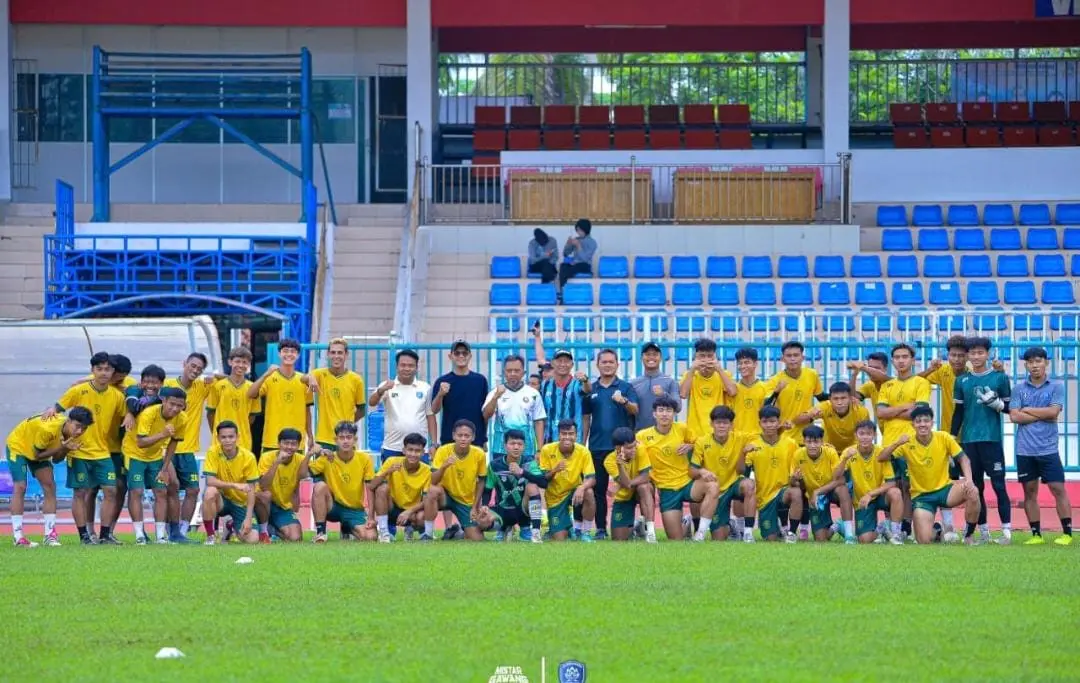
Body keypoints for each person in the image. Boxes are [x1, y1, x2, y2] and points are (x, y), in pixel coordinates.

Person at [43, 351, 127, 545]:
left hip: (103, 452)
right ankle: (84, 536)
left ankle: (105, 535)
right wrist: (52, 412)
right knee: (81, 492)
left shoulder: (117, 396)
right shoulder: (78, 391)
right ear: (92, 370)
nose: (104, 373)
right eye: (100, 369)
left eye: (108, 369)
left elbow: (127, 414)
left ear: (113, 372)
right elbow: (56, 409)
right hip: (78, 451)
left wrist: (130, 415)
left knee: (111, 491)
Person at [889, 405, 981, 545]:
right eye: (918, 421)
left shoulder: (943, 437)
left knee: (973, 492)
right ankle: (937, 530)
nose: (922, 424)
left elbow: (964, 459)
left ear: (932, 422)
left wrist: (969, 480)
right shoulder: (906, 443)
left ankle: (968, 535)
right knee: (924, 541)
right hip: (922, 497)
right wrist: (896, 443)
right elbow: (882, 457)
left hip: (946, 490)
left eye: (926, 420)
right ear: (912, 424)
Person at [1009, 346, 1073, 546]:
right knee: (1029, 491)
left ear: (1046, 363)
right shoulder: (1019, 388)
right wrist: (1040, 412)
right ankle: (1036, 534)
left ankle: (1067, 533)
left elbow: (1053, 413)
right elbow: (1014, 416)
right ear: (1026, 365)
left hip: (1048, 449)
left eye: (1038, 361)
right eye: (1030, 362)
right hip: (1024, 450)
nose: (1034, 365)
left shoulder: (1056, 387)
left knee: (1058, 489)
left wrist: (1027, 410)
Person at [951, 336, 1012, 544]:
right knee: (976, 487)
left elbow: (1010, 409)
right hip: (969, 441)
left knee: (999, 485)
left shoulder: (1000, 378)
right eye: (973, 353)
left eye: (980, 352)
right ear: (968, 355)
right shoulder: (962, 381)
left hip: (991, 439)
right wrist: (952, 439)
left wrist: (998, 406)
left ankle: (1006, 533)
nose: (976, 356)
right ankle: (984, 531)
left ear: (988, 354)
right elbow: (958, 413)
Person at [6, 407, 94, 547]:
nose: (79, 432)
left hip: (39, 449)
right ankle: (18, 537)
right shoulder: (48, 429)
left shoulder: (73, 432)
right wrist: (62, 447)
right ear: (69, 421)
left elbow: (57, 460)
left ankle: (50, 535)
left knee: (50, 486)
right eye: (77, 426)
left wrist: (65, 448)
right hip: (19, 446)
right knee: (21, 486)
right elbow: (37, 455)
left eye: (83, 428)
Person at [638, 396, 718, 541]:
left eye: (669, 410)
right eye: (660, 410)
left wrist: (691, 446)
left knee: (713, 486)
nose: (664, 414)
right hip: (667, 489)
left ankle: (700, 533)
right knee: (675, 540)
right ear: (654, 414)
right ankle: (685, 525)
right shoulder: (643, 436)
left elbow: (701, 443)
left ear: (674, 413)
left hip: (687, 483)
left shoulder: (682, 429)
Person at [876, 343, 932, 540]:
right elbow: (880, 413)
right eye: (897, 357)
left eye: (904, 357)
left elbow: (918, 414)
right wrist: (906, 406)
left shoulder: (920, 383)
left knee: (908, 486)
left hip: (910, 443)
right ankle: (894, 528)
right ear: (892, 361)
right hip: (889, 444)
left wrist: (894, 411)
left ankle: (906, 528)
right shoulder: (886, 385)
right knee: (892, 487)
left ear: (912, 360)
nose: (901, 360)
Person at [581, 348, 638, 539]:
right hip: (597, 446)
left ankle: (631, 525)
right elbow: (586, 417)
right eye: (603, 362)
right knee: (598, 489)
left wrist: (623, 401)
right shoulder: (591, 389)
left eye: (611, 362)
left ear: (617, 365)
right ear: (597, 365)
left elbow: (635, 410)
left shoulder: (626, 387)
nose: (607, 365)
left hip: (621, 449)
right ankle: (600, 528)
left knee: (626, 485)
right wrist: (583, 442)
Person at [123, 387, 188, 544]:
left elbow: (173, 443)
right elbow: (140, 442)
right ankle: (139, 535)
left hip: (156, 455)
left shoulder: (182, 419)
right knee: (136, 491)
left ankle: (160, 536)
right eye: (172, 404)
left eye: (180, 405)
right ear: (164, 401)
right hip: (134, 454)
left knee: (161, 492)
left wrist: (165, 469)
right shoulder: (149, 413)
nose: (175, 409)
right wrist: (163, 434)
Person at [163, 352, 217, 543]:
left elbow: (230, 379)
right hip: (166, 447)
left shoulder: (202, 386)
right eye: (192, 366)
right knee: (170, 489)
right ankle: (169, 531)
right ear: (184, 363)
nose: (195, 370)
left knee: (193, 490)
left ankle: (183, 532)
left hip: (188, 450)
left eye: (199, 369)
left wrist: (215, 376)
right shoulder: (168, 385)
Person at [691, 406, 756, 542]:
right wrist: (702, 471)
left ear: (731, 425)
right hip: (714, 490)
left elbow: (766, 434)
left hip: (733, 484)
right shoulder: (702, 442)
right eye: (718, 422)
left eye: (725, 423)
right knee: (719, 538)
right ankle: (727, 524)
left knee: (749, 484)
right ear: (711, 424)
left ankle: (748, 532)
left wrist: (781, 428)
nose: (721, 426)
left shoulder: (741, 437)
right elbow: (692, 471)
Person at [738, 406, 802, 542]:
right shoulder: (753, 445)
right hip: (764, 499)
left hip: (783, 492)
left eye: (773, 421)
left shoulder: (790, 444)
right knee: (771, 539)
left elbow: (801, 462)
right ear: (759, 423)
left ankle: (791, 533)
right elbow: (742, 473)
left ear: (779, 422)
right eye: (765, 422)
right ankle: (777, 526)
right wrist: (743, 454)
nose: (769, 425)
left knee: (796, 492)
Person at [837, 420, 905, 544]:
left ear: (874, 435)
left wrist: (871, 494)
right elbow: (836, 476)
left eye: (868, 434)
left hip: (879, 496)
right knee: (864, 539)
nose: (865, 437)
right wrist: (844, 459)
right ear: (856, 435)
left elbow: (891, 483)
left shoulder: (881, 452)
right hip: (861, 500)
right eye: (861, 433)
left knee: (895, 493)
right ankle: (882, 528)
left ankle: (896, 534)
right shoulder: (849, 452)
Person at [309, 421, 379, 542]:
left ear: (355, 439)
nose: (345, 441)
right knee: (319, 486)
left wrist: (371, 517)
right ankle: (320, 533)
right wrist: (310, 454)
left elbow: (369, 488)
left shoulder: (365, 459)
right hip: (333, 506)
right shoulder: (327, 457)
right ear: (336, 440)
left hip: (354, 509)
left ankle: (347, 528)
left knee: (370, 537)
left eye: (349, 437)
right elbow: (303, 474)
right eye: (341, 438)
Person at [248, 338, 315, 455]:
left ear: (298, 355)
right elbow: (251, 394)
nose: (289, 354)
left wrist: (310, 435)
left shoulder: (304, 380)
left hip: (296, 441)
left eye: (293, 351)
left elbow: (307, 411)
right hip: (272, 440)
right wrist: (266, 374)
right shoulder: (269, 377)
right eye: (285, 351)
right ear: (279, 353)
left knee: (294, 473)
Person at [369, 349, 436, 464]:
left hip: (419, 449)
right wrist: (381, 390)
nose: (406, 368)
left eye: (411, 365)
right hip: (392, 447)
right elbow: (372, 402)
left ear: (416, 367)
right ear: (397, 366)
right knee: (391, 481)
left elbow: (430, 416)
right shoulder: (386, 386)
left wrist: (434, 444)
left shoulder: (425, 387)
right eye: (403, 365)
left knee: (420, 481)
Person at [425, 419, 488, 541]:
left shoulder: (479, 454)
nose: (463, 439)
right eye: (460, 435)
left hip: (465, 501)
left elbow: (481, 481)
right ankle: (427, 534)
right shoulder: (443, 450)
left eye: (467, 436)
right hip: (445, 496)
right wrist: (443, 467)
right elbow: (432, 481)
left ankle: (456, 532)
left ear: (473, 437)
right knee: (432, 491)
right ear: (454, 436)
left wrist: (475, 507)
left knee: (477, 539)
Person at [480, 428, 546, 543]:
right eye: (512, 443)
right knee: (482, 521)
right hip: (503, 510)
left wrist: (522, 472)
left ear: (524, 446)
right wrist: (485, 505)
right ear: (505, 446)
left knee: (532, 486)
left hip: (523, 510)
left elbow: (543, 482)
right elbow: (488, 489)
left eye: (519, 444)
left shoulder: (529, 462)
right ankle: (503, 528)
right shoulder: (494, 465)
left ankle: (534, 532)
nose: (516, 447)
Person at [483, 354, 547, 472]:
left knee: (527, 483)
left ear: (523, 372)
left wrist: (540, 450)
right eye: (509, 370)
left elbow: (539, 422)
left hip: (527, 449)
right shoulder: (495, 393)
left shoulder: (533, 393)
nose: (512, 373)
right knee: (502, 484)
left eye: (516, 370)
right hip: (501, 448)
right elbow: (486, 415)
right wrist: (496, 397)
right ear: (504, 372)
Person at [792, 425, 855, 544]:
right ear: (803, 441)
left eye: (816, 441)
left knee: (842, 489)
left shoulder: (830, 452)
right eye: (809, 441)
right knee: (821, 539)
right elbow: (794, 484)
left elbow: (840, 480)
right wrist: (795, 479)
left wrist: (817, 491)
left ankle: (849, 534)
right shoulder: (798, 455)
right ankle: (836, 526)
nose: (812, 445)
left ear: (822, 441)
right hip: (815, 499)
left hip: (830, 491)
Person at [201, 420, 260, 545]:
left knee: (253, 539)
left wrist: (248, 518)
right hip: (222, 500)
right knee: (210, 492)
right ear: (218, 438)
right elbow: (210, 481)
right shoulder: (212, 452)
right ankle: (211, 536)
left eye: (231, 436)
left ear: (237, 437)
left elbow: (251, 489)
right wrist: (234, 485)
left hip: (241, 502)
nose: (227, 440)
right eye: (223, 437)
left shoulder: (249, 457)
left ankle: (231, 526)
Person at [538, 419, 597, 542]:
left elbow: (591, 478)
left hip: (574, 494)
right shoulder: (547, 450)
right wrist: (554, 470)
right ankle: (565, 527)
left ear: (576, 435)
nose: (567, 437)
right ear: (558, 434)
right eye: (564, 434)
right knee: (559, 539)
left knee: (589, 492)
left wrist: (581, 487)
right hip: (555, 499)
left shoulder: (583, 451)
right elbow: (542, 480)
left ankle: (585, 532)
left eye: (571, 434)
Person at [371, 432, 433, 542]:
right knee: (382, 489)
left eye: (417, 451)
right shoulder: (391, 461)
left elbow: (427, 499)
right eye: (410, 450)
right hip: (392, 507)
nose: (413, 454)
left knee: (422, 516)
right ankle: (384, 532)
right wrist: (387, 472)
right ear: (404, 450)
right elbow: (372, 486)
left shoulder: (427, 471)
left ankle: (412, 528)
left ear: (423, 453)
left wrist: (408, 511)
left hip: (412, 511)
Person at [308, 337, 366, 452]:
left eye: (340, 353)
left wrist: (346, 424)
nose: (336, 356)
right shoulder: (319, 374)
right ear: (328, 354)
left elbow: (362, 410)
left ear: (346, 354)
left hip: (346, 439)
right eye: (333, 352)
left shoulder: (356, 379)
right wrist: (310, 378)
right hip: (324, 439)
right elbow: (302, 379)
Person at [430, 340, 488, 451]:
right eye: (457, 353)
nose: (461, 356)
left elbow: (485, 413)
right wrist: (440, 394)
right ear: (450, 356)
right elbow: (434, 410)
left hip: (475, 439)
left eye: (464, 353)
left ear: (470, 356)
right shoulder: (442, 381)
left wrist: (484, 439)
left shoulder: (480, 380)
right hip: (450, 439)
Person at [533, 335, 591, 445]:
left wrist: (586, 380)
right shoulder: (545, 385)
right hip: (550, 441)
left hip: (573, 441)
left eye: (566, 361)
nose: (563, 364)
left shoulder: (578, 383)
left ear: (572, 364)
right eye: (559, 361)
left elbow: (587, 389)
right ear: (553, 363)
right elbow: (541, 414)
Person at [256, 427, 310, 543]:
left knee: (295, 538)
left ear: (299, 445)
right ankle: (263, 531)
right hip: (262, 504)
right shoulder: (267, 457)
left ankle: (272, 529)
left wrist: (310, 454)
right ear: (278, 443)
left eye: (293, 444)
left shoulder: (301, 459)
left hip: (282, 506)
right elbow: (263, 486)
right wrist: (277, 462)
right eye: (286, 443)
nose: (289, 447)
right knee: (266, 495)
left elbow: (304, 476)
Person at [767, 341, 825, 445]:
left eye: (796, 355)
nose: (792, 359)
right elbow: (766, 406)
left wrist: (849, 397)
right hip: (784, 436)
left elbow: (821, 397)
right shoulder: (775, 380)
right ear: (782, 359)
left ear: (802, 358)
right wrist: (776, 392)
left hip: (807, 436)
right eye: (789, 356)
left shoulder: (812, 374)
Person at [605, 426, 656, 543]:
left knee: (644, 487)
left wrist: (620, 485)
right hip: (624, 496)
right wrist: (620, 465)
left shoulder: (640, 448)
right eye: (629, 448)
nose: (634, 449)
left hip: (640, 490)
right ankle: (637, 527)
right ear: (618, 448)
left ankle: (651, 532)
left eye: (634, 445)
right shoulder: (609, 461)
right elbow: (626, 484)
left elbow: (645, 476)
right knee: (618, 539)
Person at [208, 346, 261, 452]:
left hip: (243, 441)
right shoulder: (217, 385)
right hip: (220, 441)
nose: (241, 365)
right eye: (237, 361)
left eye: (244, 362)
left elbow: (252, 417)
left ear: (248, 365)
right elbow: (210, 413)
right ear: (230, 362)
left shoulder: (253, 388)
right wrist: (218, 432)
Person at [680, 338, 735, 437]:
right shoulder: (689, 375)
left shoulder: (724, 374)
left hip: (719, 431)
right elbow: (683, 394)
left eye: (710, 356)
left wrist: (719, 369)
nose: (706, 359)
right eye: (702, 356)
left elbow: (732, 392)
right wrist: (692, 369)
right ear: (695, 357)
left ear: (715, 357)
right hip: (695, 432)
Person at [796, 381, 869, 454]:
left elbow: (867, 435)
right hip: (828, 450)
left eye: (843, 398)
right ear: (830, 399)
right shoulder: (824, 407)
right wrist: (809, 415)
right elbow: (797, 421)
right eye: (835, 399)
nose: (839, 402)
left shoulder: (861, 411)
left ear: (850, 398)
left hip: (852, 451)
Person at [629, 341, 681, 432]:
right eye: (648, 354)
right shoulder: (633, 383)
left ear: (660, 358)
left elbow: (678, 407)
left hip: (665, 436)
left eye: (655, 354)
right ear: (641, 358)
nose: (651, 357)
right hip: (640, 436)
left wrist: (663, 395)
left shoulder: (670, 381)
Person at [730, 347, 768, 436]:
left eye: (747, 362)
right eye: (740, 363)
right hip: (737, 437)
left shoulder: (765, 388)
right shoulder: (733, 389)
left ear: (755, 364)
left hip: (758, 438)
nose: (743, 366)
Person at [557, 218, 597, 292]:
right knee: (563, 266)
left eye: (579, 230)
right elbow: (565, 254)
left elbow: (585, 259)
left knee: (570, 269)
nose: (578, 232)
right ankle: (562, 291)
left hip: (585, 265)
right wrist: (568, 244)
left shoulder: (592, 242)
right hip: (575, 264)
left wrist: (578, 246)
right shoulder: (576, 239)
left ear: (585, 229)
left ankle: (566, 291)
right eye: (577, 230)